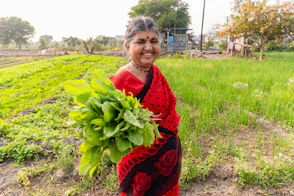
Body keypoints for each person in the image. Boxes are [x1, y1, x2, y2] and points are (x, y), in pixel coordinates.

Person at [109, 16, 182, 196]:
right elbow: (111, 127)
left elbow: (169, 108)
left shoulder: (155, 71)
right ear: (127, 46)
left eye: (154, 41)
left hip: (166, 159)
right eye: (141, 41)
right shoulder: (121, 79)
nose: (148, 47)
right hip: (138, 165)